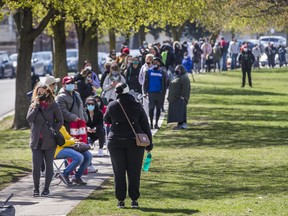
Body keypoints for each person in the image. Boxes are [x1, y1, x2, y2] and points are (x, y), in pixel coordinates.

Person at [104, 83, 153, 208]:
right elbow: (145, 125)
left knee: (118, 172)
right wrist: (149, 143)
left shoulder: (112, 105)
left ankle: (120, 200)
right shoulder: (137, 105)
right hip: (134, 142)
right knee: (134, 172)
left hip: (115, 141)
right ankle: (134, 199)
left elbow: (106, 120)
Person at [26, 83, 64, 197]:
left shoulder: (54, 105)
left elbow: (60, 120)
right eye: (38, 92)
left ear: (48, 93)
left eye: (42, 92)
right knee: (36, 166)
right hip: (36, 141)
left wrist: (53, 131)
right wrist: (36, 106)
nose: (40, 94)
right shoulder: (33, 105)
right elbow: (29, 119)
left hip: (50, 141)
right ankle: (36, 188)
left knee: (49, 166)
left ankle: (46, 188)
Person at [144, 57, 167, 129]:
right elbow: (146, 82)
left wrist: (164, 93)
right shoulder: (149, 71)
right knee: (151, 108)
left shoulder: (162, 72)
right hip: (151, 93)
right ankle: (151, 123)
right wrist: (145, 91)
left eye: (157, 62)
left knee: (158, 108)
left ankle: (156, 123)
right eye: (154, 62)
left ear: (160, 64)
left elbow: (165, 83)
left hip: (159, 93)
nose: (155, 64)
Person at [167, 65, 191, 130]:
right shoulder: (177, 77)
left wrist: (183, 97)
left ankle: (183, 124)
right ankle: (180, 124)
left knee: (181, 111)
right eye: (176, 69)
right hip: (175, 98)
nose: (176, 70)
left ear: (181, 69)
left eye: (178, 69)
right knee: (178, 112)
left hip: (180, 98)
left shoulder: (184, 77)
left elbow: (186, 88)